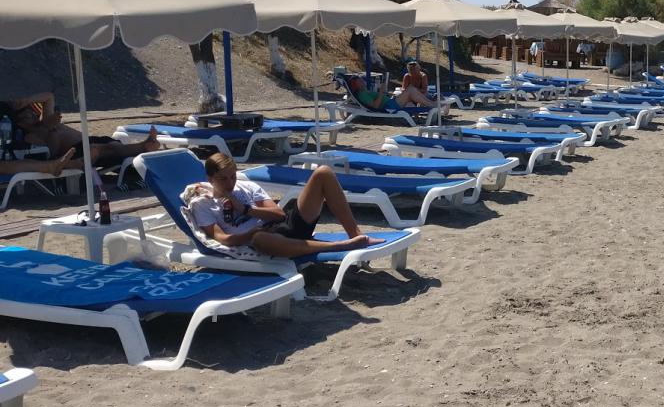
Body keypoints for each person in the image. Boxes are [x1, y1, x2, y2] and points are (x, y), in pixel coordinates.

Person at [190, 152, 380, 257]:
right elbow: (222, 238)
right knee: (260, 240)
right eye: (222, 179)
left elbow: (279, 214)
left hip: (285, 225)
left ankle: (356, 235)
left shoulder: (246, 186)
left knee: (323, 172)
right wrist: (253, 233)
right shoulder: (203, 204)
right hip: (266, 240)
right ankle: (339, 246)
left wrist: (245, 209)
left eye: (232, 176)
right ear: (210, 178)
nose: (230, 183)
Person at [1, 94, 160, 164]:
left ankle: (145, 149)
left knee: (111, 145)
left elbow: (48, 96)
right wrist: (49, 129)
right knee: (105, 148)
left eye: (34, 112)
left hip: (87, 140)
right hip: (76, 152)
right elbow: (52, 153)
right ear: (20, 122)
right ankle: (144, 146)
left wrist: (25, 101)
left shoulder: (45, 121)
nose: (34, 115)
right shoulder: (32, 135)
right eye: (28, 115)